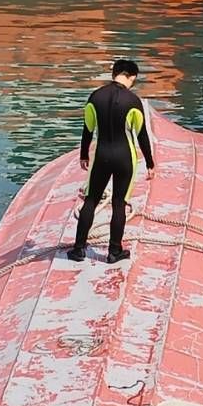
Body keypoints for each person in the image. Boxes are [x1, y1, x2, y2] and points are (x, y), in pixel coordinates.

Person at [70, 59, 157, 264]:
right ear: (132, 77)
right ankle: (114, 251)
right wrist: (151, 163)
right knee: (119, 204)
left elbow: (87, 130)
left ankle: (78, 249)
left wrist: (84, 155)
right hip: (125, 158)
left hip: (101, 155)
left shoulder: (95, 97)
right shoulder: (133, 101)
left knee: (91, 200)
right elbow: (142, 135)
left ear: (114, 73)